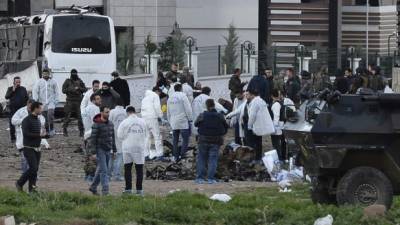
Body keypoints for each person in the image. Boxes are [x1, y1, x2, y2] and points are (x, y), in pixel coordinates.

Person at [16, 101, 49, 193]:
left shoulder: (38, 119)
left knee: (35, 170)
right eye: (40, 108)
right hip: (28, 148)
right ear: (36, 108)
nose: (41, 110)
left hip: (37, 148)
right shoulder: (26, 120)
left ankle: (32, 190)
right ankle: (19, 183)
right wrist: (39, 135)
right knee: (33, 168)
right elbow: (26, 134)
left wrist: (46, 135)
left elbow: (39, 134)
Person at [194, 99, 228, 184]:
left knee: (201, 158)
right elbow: (226, 126)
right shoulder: (220, 115)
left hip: (203, 139)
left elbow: (196, 124)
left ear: (206, 106)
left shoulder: (202, 115)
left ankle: (200, 178)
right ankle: (210, 178)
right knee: (213, 159)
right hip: (216, 140)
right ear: (214, 105)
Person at [117, 106, 148, 195]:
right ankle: (139, 190)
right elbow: (146, 134)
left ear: (127, 113)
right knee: (139, 169)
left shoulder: (124, 122)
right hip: (139, 147)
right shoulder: (142, 121)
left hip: (127, 147)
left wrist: (127, 138)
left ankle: (128, 189)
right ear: (135, 112)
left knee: (127, 168)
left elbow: (119, 136)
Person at [12, 99, 47, 173]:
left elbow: (42, 122)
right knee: (24, 159)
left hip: (35, 141)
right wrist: (24, 121)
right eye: (29, 106)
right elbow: (13, 120)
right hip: (23, 140)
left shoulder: (38, 114)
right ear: (27, 104)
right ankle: (25, 175)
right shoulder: (21, 111)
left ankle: (32, 177)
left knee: (34, 161)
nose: (31, 108)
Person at [88, 106, 117, 196]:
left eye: (108, 112)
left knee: (101, 169)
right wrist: (93, 152)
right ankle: (105, 191)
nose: (108, 114)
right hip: (99, 149)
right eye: (106, 112)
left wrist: (114, 150)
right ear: (101, 112)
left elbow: (112, 138)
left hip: (108, 149)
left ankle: (93, 187)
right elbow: (92, 139)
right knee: (104, 171)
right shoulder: (96, 124)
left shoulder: (111, 124)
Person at [246, 89, 275, 163]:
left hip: (256, 127)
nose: (246, 96)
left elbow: (252, 115)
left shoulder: (255, 102)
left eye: (248, 94)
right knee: (259, 143)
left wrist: (249, 126)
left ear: (252, 95)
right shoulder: (261, 100)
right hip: (260, 127)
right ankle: (258, 158)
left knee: (253, 143)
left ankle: (254, 159)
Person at [167, 83, 193, 161]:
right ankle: (182, 155)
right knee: (185, 139)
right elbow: (188, 109)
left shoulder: (170, 98)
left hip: (174, 122)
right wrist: (190, 119)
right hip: (183, 121)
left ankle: (175, 156)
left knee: (175, 140)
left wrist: (170, 121)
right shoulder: (183, 96)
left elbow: (168, 112)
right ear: (181, 89)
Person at [32, 68, 59, 135]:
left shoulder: (53, 81)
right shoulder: (39, 82)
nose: (45, 75)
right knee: (44, 118)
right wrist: (36, 100)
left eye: (47, 74)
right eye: (44, 74)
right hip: (42, 102)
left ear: (49, 74)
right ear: (42, 74)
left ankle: (52, 128)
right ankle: (47, 130)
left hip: (51, 102)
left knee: (50, 114)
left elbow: (57, 92)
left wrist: (56, 101)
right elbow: (35, 91)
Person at [62, 69, 86, 137]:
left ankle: (81, 131)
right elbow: (63, 90)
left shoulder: (80, 81)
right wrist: (70, 89)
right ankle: (64, 130)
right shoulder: (67, 81)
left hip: (78, 101)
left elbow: (85, 89)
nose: (74, 74)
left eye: (75, 73)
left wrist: (79, 88)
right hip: (69, 100)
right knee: (67, 116)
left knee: (80, 117)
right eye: (73, 73)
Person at [141, 87, 164, 159]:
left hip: (144, 118)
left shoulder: (144, 99)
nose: (159, 95)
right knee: (157, 136)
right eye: (159, 93)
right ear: (157, 91)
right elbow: (157, 107)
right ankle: (159, 154)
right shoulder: (155, 96)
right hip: (152, 118)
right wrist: (161, 116)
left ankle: (146, 155)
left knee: (147, 137)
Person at [5, 76, 29, 142]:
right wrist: (13, 90)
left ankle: (24, 136)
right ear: (14, 82)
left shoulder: (23, 89)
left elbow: (27, 98)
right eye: (16, 82)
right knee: (12, 123)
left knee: (23, 122)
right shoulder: (10, 88)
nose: (18, 83)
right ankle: (13, 137)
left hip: (22, 109)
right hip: (13, 109)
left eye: (19, 82)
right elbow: (6, 97)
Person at [108, 100, 127, 181]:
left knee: (111, 156)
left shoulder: (112, 112)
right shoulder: (125, 112)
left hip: (112, 135)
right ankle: (117, 175)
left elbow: (108, 123)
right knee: (119, 156)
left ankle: (108, 175)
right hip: (122, 136)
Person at [270, 89, 286, 161]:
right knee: (281, 143)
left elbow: (276, 117)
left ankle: (279, 158)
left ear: (272, 96)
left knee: (276, 144)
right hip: (281, 126)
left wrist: (274, 127)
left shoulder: (276, 104)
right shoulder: (279, 103)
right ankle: (281, 157)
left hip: (277, 127)